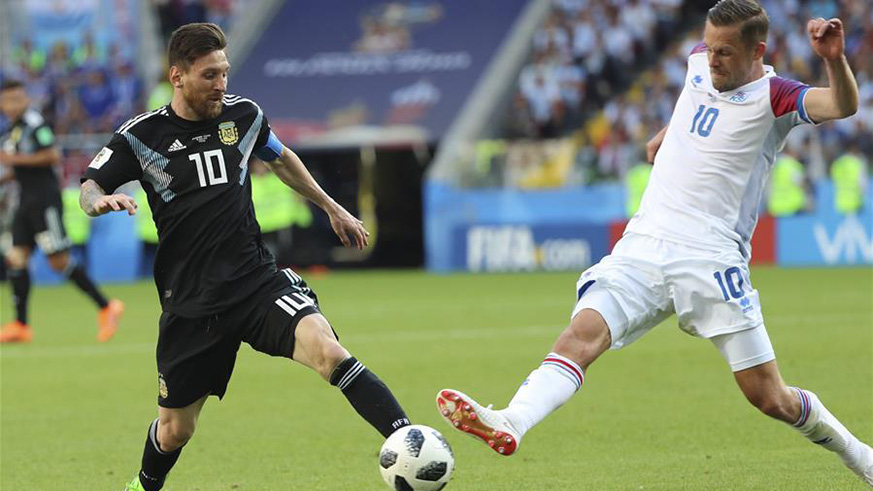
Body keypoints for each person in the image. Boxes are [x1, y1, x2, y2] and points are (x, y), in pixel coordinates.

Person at [436, 0, 873, 485]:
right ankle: (512, 420)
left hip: (709, 256)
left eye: (725, 52)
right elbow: (696, 101)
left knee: (770, 398)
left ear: (757, 51)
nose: (712, 59)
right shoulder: (697, 64)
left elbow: (842, 105)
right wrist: (669, 132)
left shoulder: (776, 97)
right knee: (582, 332)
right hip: (645, 241)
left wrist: (833, 58)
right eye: (708, 47)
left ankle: (861, 457)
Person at [77, 23, 411, 491]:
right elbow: (90, 184)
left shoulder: (245, 116)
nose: (221, 85)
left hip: (255, 281)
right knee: (176, 431)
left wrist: (332, 207)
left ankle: (410, 441)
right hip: (192, 301)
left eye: (225, 73)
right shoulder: (141, 135)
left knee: (329, 350)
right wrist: (98, 203)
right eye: (210, 75)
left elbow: (280, 156)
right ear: (177, 76)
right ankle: (144, 485)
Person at [0, 79, 123, 343]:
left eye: (18, 99)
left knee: (58, 261)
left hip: (44, 202)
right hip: (25, 202)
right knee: (16, 257)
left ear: (26, 99)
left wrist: (13, 160)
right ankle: (21, 325)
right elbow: (20, 167)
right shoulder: (14, 129)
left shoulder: (35, 124)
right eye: (8, 100)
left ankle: (106, 306)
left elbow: (52, 155)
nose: (13, 105)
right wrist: (7, 175)